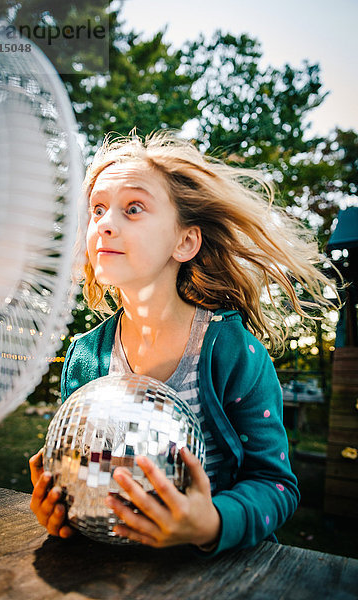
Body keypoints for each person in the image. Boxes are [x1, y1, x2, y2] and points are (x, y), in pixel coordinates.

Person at [29, 130, 342, 555]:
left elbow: (276, 486)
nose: (103, 223)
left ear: (185, 241)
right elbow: (87, 479)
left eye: (132, 208)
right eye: (97, 209)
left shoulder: (234, 353)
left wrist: (211, 522)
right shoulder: (86, 358)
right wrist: (63, 509)